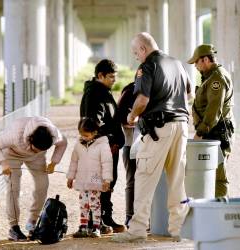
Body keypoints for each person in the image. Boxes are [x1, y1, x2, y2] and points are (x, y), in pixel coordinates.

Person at [112, 32, 190, 243]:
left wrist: (132, 115)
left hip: (158, 129)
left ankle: (137, 230)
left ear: (143, 49)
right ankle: (178, 229)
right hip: (181, 126)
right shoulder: (177, 63)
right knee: (177, 180)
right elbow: (189, 94)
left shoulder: (147, 66)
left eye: (135, 52)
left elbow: (142, 100)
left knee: (145, 178)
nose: (136, 56)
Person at [0, 116, 67, 241]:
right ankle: (14, 228)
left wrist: (53, 163)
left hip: (37, 159)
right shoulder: (15, 135)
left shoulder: (54, 134)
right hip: (12, 154)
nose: (36, 151)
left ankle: (32, 222)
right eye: (35, 148)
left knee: (42, 185)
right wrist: (3, 163)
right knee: (14, 187)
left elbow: (63, 143)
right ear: (30, 140)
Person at [80, 59, 126, 233]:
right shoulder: (95, 94)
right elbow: (93, 124)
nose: (114, 79)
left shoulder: (103, 92)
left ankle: (105, 218)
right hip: (102, 148)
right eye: (111, 77)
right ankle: (95, 222)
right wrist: (109, 142)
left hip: (108, 146)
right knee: (99, 183)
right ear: (100, 75)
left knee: (107, 182)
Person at [187, 44, 234, 197]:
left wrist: (200, 132)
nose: (195, 66)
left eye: (196, 62)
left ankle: (220, 211)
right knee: (210, 173)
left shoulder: (216, 79)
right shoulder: (211, 76)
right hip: (212, 132)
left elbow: (214, 109)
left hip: (215, 132)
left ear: (205, 59)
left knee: (218, 176)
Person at [67, 118, 113, 238]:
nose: (83, 137)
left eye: (86, 135)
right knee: (83, 204)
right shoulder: (78, 145)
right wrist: (70, 177)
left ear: (94, 133)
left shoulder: (103, 145)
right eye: (81, 135)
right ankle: (83, 227)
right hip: (82, 179)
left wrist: (107, 180)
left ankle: (96, 227)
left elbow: (107, 163)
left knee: (95, 203)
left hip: (95, 179)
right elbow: (74, 162)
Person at [117, 81, 140, 228]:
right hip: (131, 144)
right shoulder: (131, 94)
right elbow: (123, 121)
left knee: (133, 182)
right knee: (132, 181)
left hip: (134, 145)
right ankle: (130, 216)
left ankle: (132, 216)